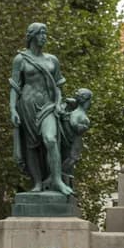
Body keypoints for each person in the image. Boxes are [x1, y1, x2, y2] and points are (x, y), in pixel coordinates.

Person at [10, 22, 73, 195]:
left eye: (45, 33)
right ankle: (37, 183)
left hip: (48, 105)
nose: (44, 37)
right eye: (41, 33)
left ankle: (57, 180)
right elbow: (15, 86)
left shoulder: (52, 60)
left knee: (50, 139)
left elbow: (58, 86)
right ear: (32, 36)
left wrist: (59, 102)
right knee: (32, 146)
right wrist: (12, 109)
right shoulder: (20, 59)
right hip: (27, 105)